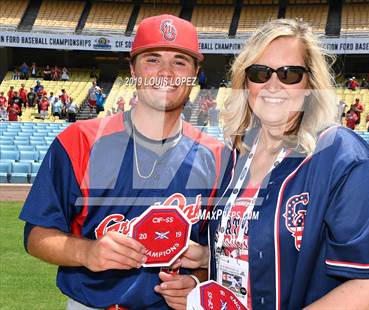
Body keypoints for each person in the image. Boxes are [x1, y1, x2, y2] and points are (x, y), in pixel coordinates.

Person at [161, 19, 369, 309]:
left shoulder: (343, 156)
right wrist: (205, 260)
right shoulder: (237, 154)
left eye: (289, 74)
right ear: (245, 83)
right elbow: (258, 247)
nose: (272, 85)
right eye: (260, 73)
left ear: (310, 83)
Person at [19, 14, 225, 310]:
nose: (166, 72)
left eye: (180, 61)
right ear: (132, 68)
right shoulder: (79, 140)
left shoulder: (216, 156)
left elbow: (222, 251)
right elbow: (37, 235)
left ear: (195, 73)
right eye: (152, 59)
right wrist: (87, 252)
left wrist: (199, 279)